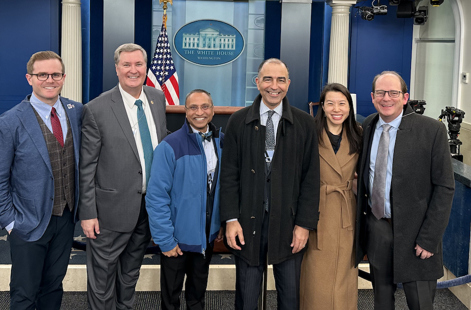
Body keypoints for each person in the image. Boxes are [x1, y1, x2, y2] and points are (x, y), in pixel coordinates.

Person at [0, 51, 83, 309]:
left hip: (66, 218)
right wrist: (11, 222)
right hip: (27, 222)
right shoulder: (9, 123)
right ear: (30, 78)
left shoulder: (77, 112)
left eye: (56, 74)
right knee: (25, 293)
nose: (50, 80)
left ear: (63, 77)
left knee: (53, 286)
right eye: (42, 75)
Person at [220, 58, 320, 310]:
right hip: (246, 223)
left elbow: (310, 178)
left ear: (288, 83)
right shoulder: (238, 121)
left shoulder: (305, 123)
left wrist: (304, 225)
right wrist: (231, 219)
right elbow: (229, 175)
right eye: (267, 79)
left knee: (289, 299)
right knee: (247, 297)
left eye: (280, 80)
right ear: (257, 82)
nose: (274, 86)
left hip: (289, 224)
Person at [355, 70, 455, 310]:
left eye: (393, 93)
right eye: (380, 93)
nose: (386, 98)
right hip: (378, 228)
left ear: (405, 97)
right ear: (372, 96)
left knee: (419, 302)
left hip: (417, 234)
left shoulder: (431, 131)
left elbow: (444, 187)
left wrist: (429, 239)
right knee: (381, 301)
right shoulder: (368, 125)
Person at [79, 43, 167, 310]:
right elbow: (86, 167)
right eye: (126, 65)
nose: (133, 70)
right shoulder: (96, 108)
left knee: (130, 273)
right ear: (116, 69)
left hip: (147, 207)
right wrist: (87, 213)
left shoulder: (157, 98)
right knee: (102, 278)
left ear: (146, 67)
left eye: (138, 64)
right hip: (109, 211)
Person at [146, 89, 224, 310]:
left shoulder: (222, 143)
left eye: (205, 106)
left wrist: (218, 223)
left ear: (213, 110)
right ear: (185, 111)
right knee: (170, 299)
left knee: (197, 297)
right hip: (176, 239)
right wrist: (165, 239)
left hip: (206, 238)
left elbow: (223, 189)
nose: (200, 112)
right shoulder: (169, 146)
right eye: (193, 107)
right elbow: (156, 197)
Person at [300, 83, 362, 310]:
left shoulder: (359, 134)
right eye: (330, 103)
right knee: (316, 277)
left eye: (342, 103)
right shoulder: (309, 133)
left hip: (347, 212)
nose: (337, 109)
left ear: (349, 107)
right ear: (322, 107)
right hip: (316, 212)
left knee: (344, 276)